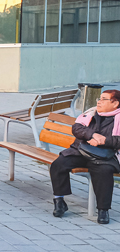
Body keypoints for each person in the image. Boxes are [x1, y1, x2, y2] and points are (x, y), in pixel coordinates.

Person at [49, 89, 120, 224]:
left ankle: (103, 210)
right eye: (99, 98)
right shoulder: (91, 113)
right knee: (59, 164)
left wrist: (104, 141)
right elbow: (77, 129)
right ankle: (59, 201)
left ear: (115, 103)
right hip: (81, 151)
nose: (99, 102)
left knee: (104, 171)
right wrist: (92, 135)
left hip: (106, 155)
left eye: (104, 99)